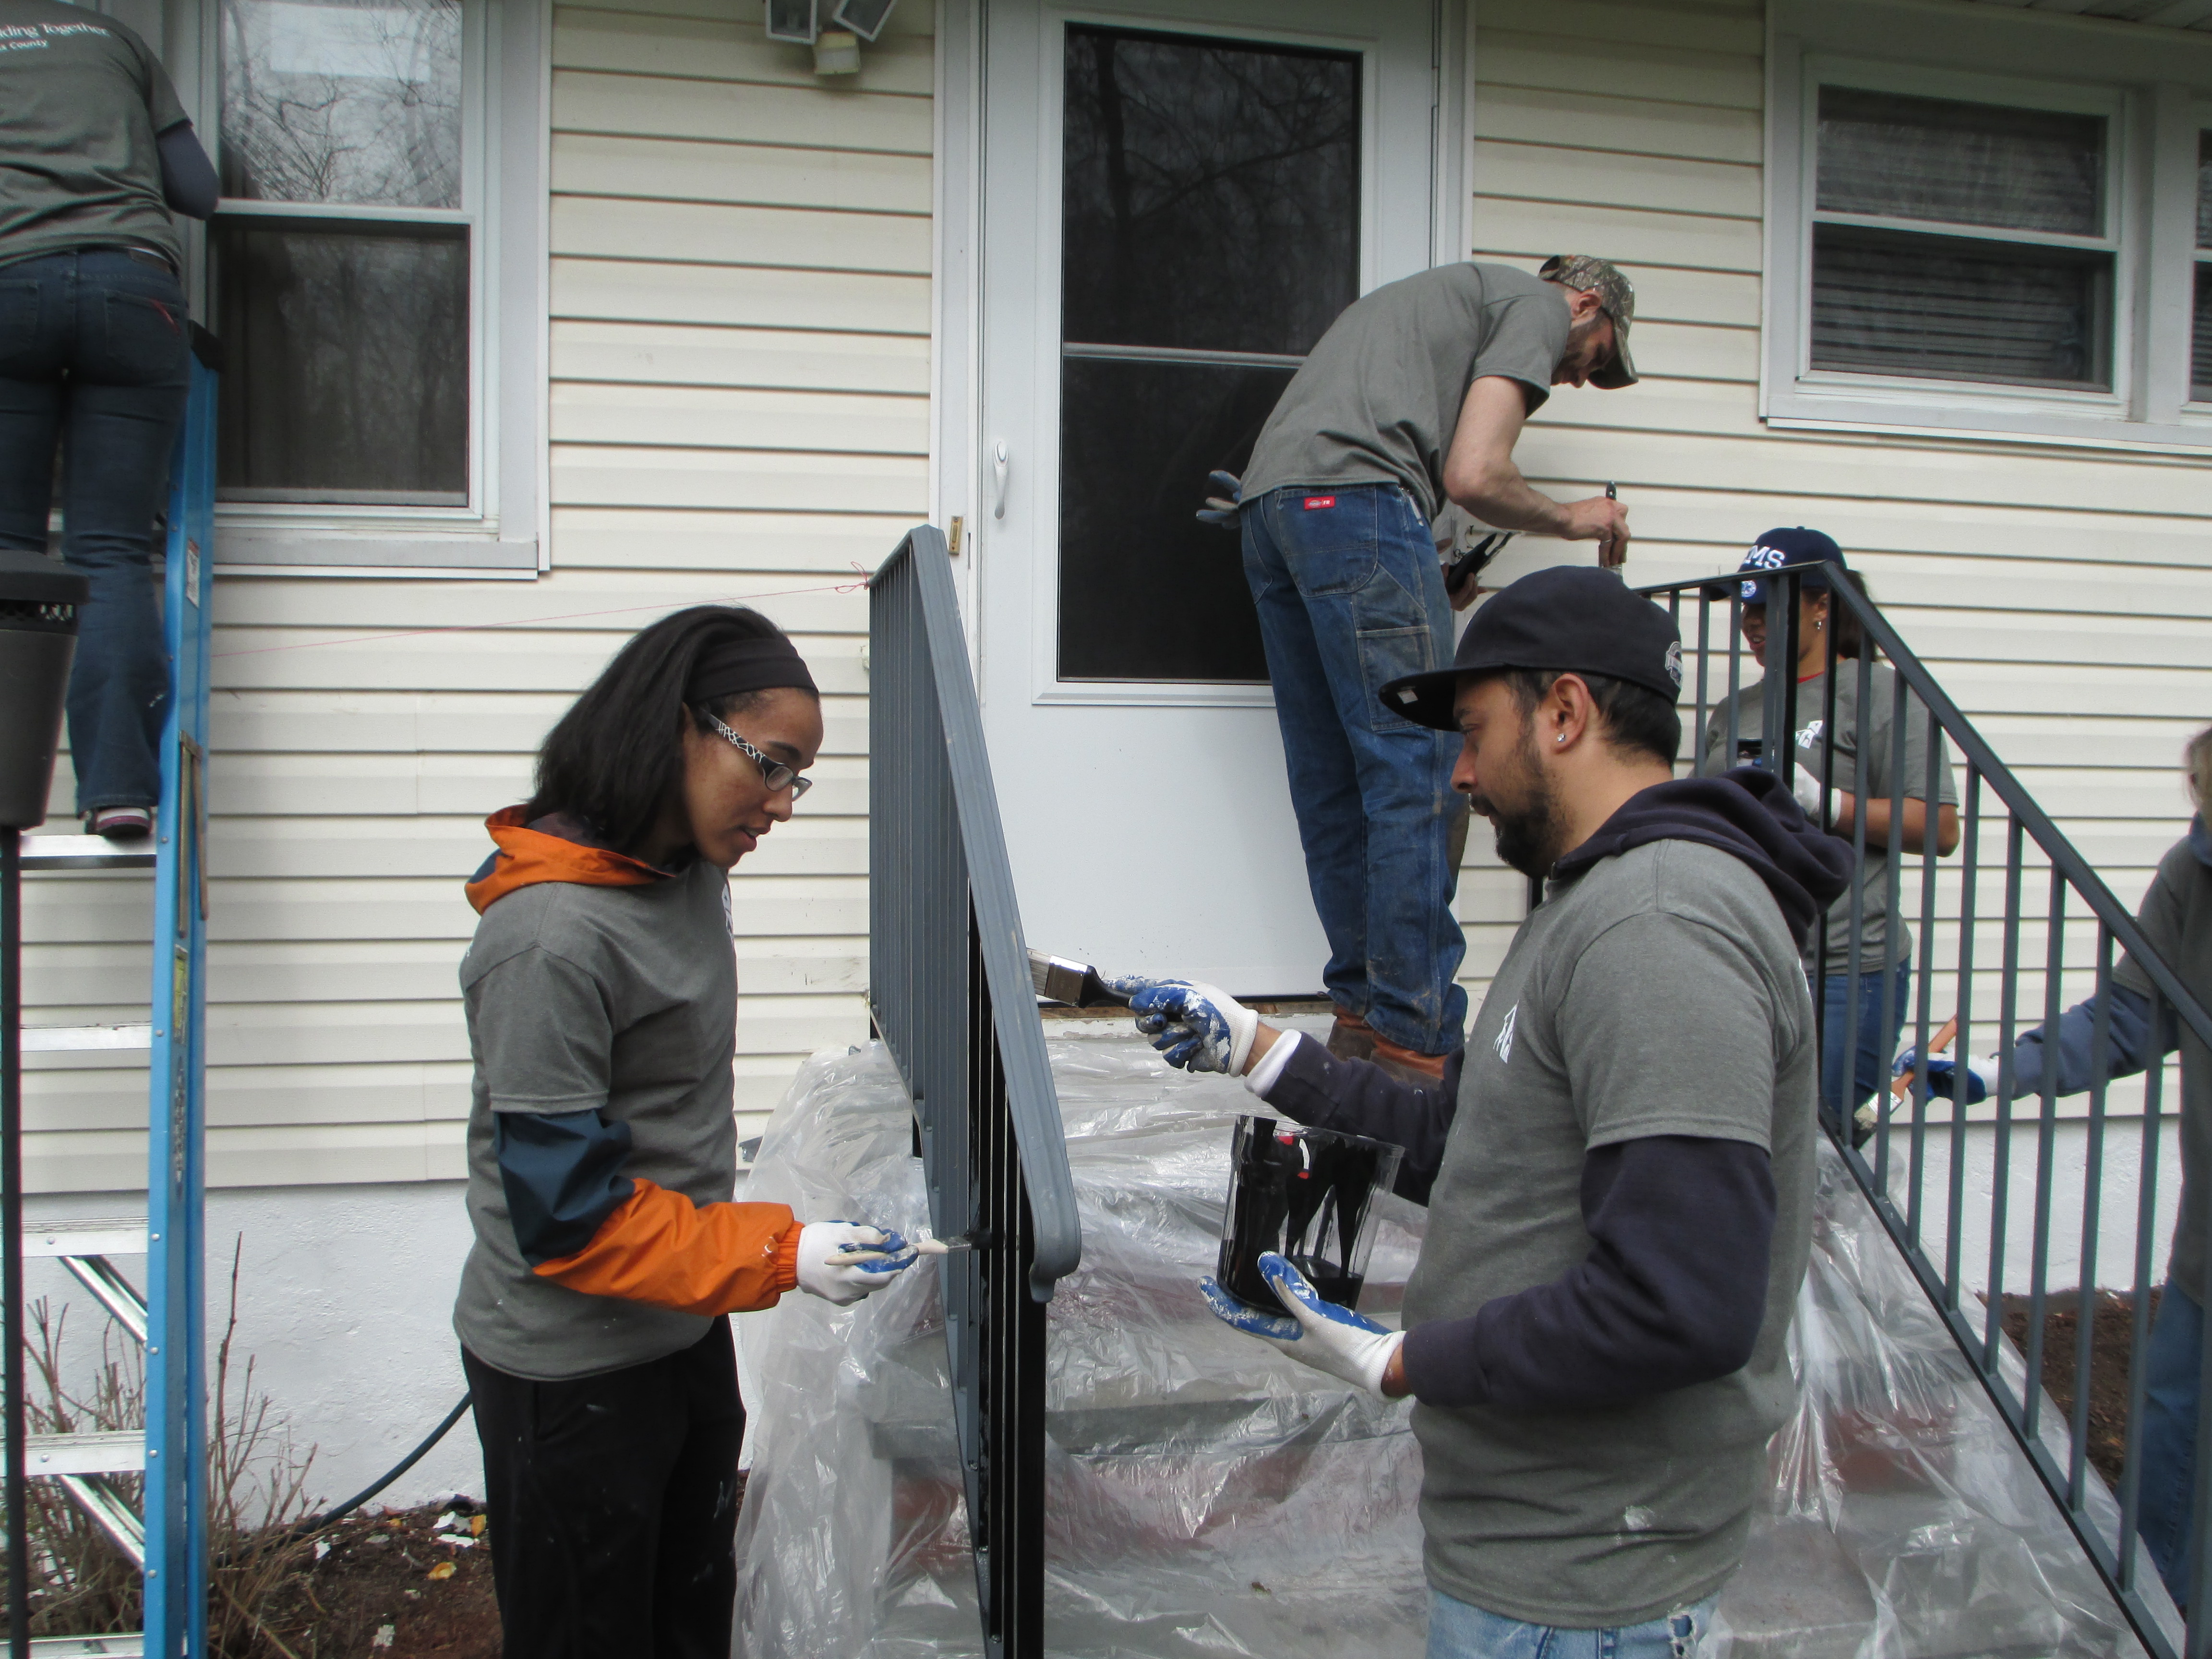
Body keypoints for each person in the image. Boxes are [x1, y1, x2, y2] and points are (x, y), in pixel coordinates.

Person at [1115, 568, 1853, 1659]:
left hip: (1587, 1579)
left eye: (1473, 731)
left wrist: (1409, 1360)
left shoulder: (1655, 925)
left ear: (1564, 711)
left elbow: (1680, 1303)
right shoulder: (1597, 904)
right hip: (1539, 1560)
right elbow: (1477, 1146)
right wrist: (1265, 1050)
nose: (1459, 772)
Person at [453, 606, 918, 1659]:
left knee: (688, 1624)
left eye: (802, 779)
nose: (784, 806)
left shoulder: (686, 875)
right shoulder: (550, 940)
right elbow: (567, 1222)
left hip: (680, 1332)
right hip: (571, 1379)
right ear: (677, 729)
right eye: (773, 765)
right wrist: (779, 1250)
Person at [1214, 255, 1641, 1084]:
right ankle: (1417, 1040)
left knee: (1334, 777)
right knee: (1420, 769)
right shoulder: (1533, 303)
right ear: (1585, 304)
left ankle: (1360, 1012)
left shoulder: (1444, 301)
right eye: (1594, 358)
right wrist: (1569, 518)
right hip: (1357, 501)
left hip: (1272, 513)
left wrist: (1430, 569)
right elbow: (1473, 473)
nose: (1579, 377)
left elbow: (1394, 460)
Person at [1901, 723, 2212, 1607]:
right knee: (2172, 1445)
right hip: (2204, 1259)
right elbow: (2128, 1014)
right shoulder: (2193, 874)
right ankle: (2152, 1621)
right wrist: (2001, 1071)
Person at [0, 0, 219, 838]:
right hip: (134, 293)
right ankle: (119, 787)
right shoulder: (113, 37)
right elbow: (197, 190)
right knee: (112, 548)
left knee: (10, 554)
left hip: (7, 284)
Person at [1701, 529, 1958, 1140]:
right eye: (1746, 606)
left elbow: (1940, 826)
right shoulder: (1734, 710)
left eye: (1768, 604)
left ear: (1823, 604)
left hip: (1843, 969)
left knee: (1817, 1153)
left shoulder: (1881, 695)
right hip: (1745, 956)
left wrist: (1827, 803)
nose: (1751, 621)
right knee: (1742, 1144)